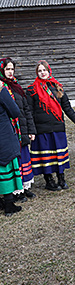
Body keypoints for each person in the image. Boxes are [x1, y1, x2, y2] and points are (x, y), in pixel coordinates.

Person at [27, 59, 75, 191]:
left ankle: (61, 178)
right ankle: (49, 181)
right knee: (46, 156)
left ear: (49, 71)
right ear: (37, 73)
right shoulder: (32, 90)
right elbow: (29, 111)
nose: (42, 73)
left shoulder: (57, 87)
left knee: (59, 155)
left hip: (57, 127)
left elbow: (66, 107)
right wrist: (31, 129)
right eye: (39, 71)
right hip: (41, 129)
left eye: (44, 70)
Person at [0, 57, 36, 201]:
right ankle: (16, 191)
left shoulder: (17, 86)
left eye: (12, 69)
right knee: (14, 162)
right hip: (9, 131)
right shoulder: (2, 87)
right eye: (7, 69)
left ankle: (24, 188)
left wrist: (31, 130)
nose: (10, 72)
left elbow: (26, 109)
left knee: (24, 159)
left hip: (22, 129)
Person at [0, 79, 22, 215]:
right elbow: (15, 112)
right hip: (3, 135)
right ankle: (8, 204)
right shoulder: (1, 90)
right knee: (5, 166)